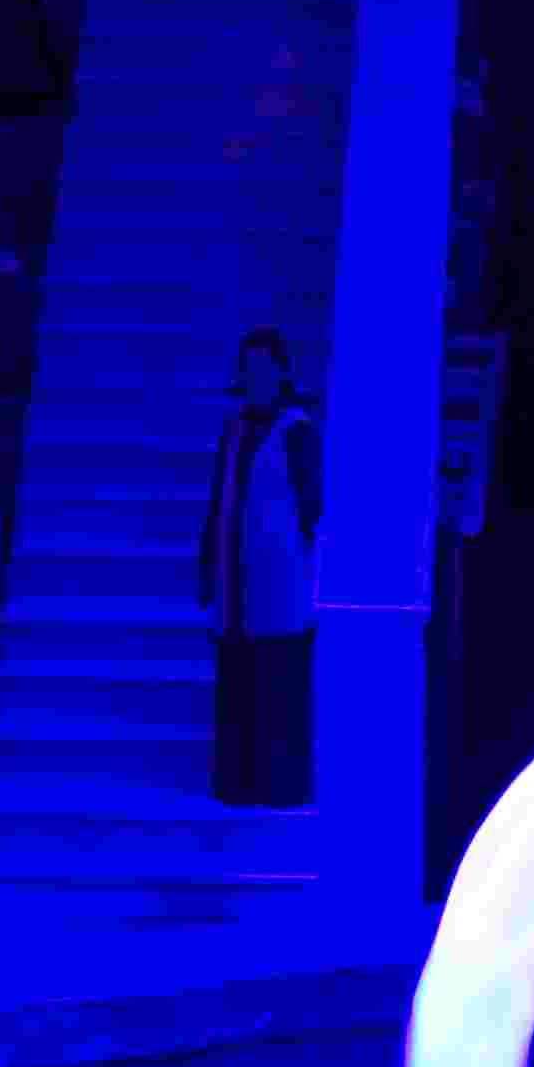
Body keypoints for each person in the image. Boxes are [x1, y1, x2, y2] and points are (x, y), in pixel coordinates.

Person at [196, 327, 321, 808]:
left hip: (279, 583)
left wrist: (300, 569)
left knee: (279, 688)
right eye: (248, 368)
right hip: (235, 582)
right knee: (238, 686)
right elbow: (218, 502)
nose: (255, 377)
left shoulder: (296, 430)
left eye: (264, 368)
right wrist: (207, 569)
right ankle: (238, 784)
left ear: (282, 373)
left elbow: (312, 508)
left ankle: (280, 787)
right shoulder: (234, 429)